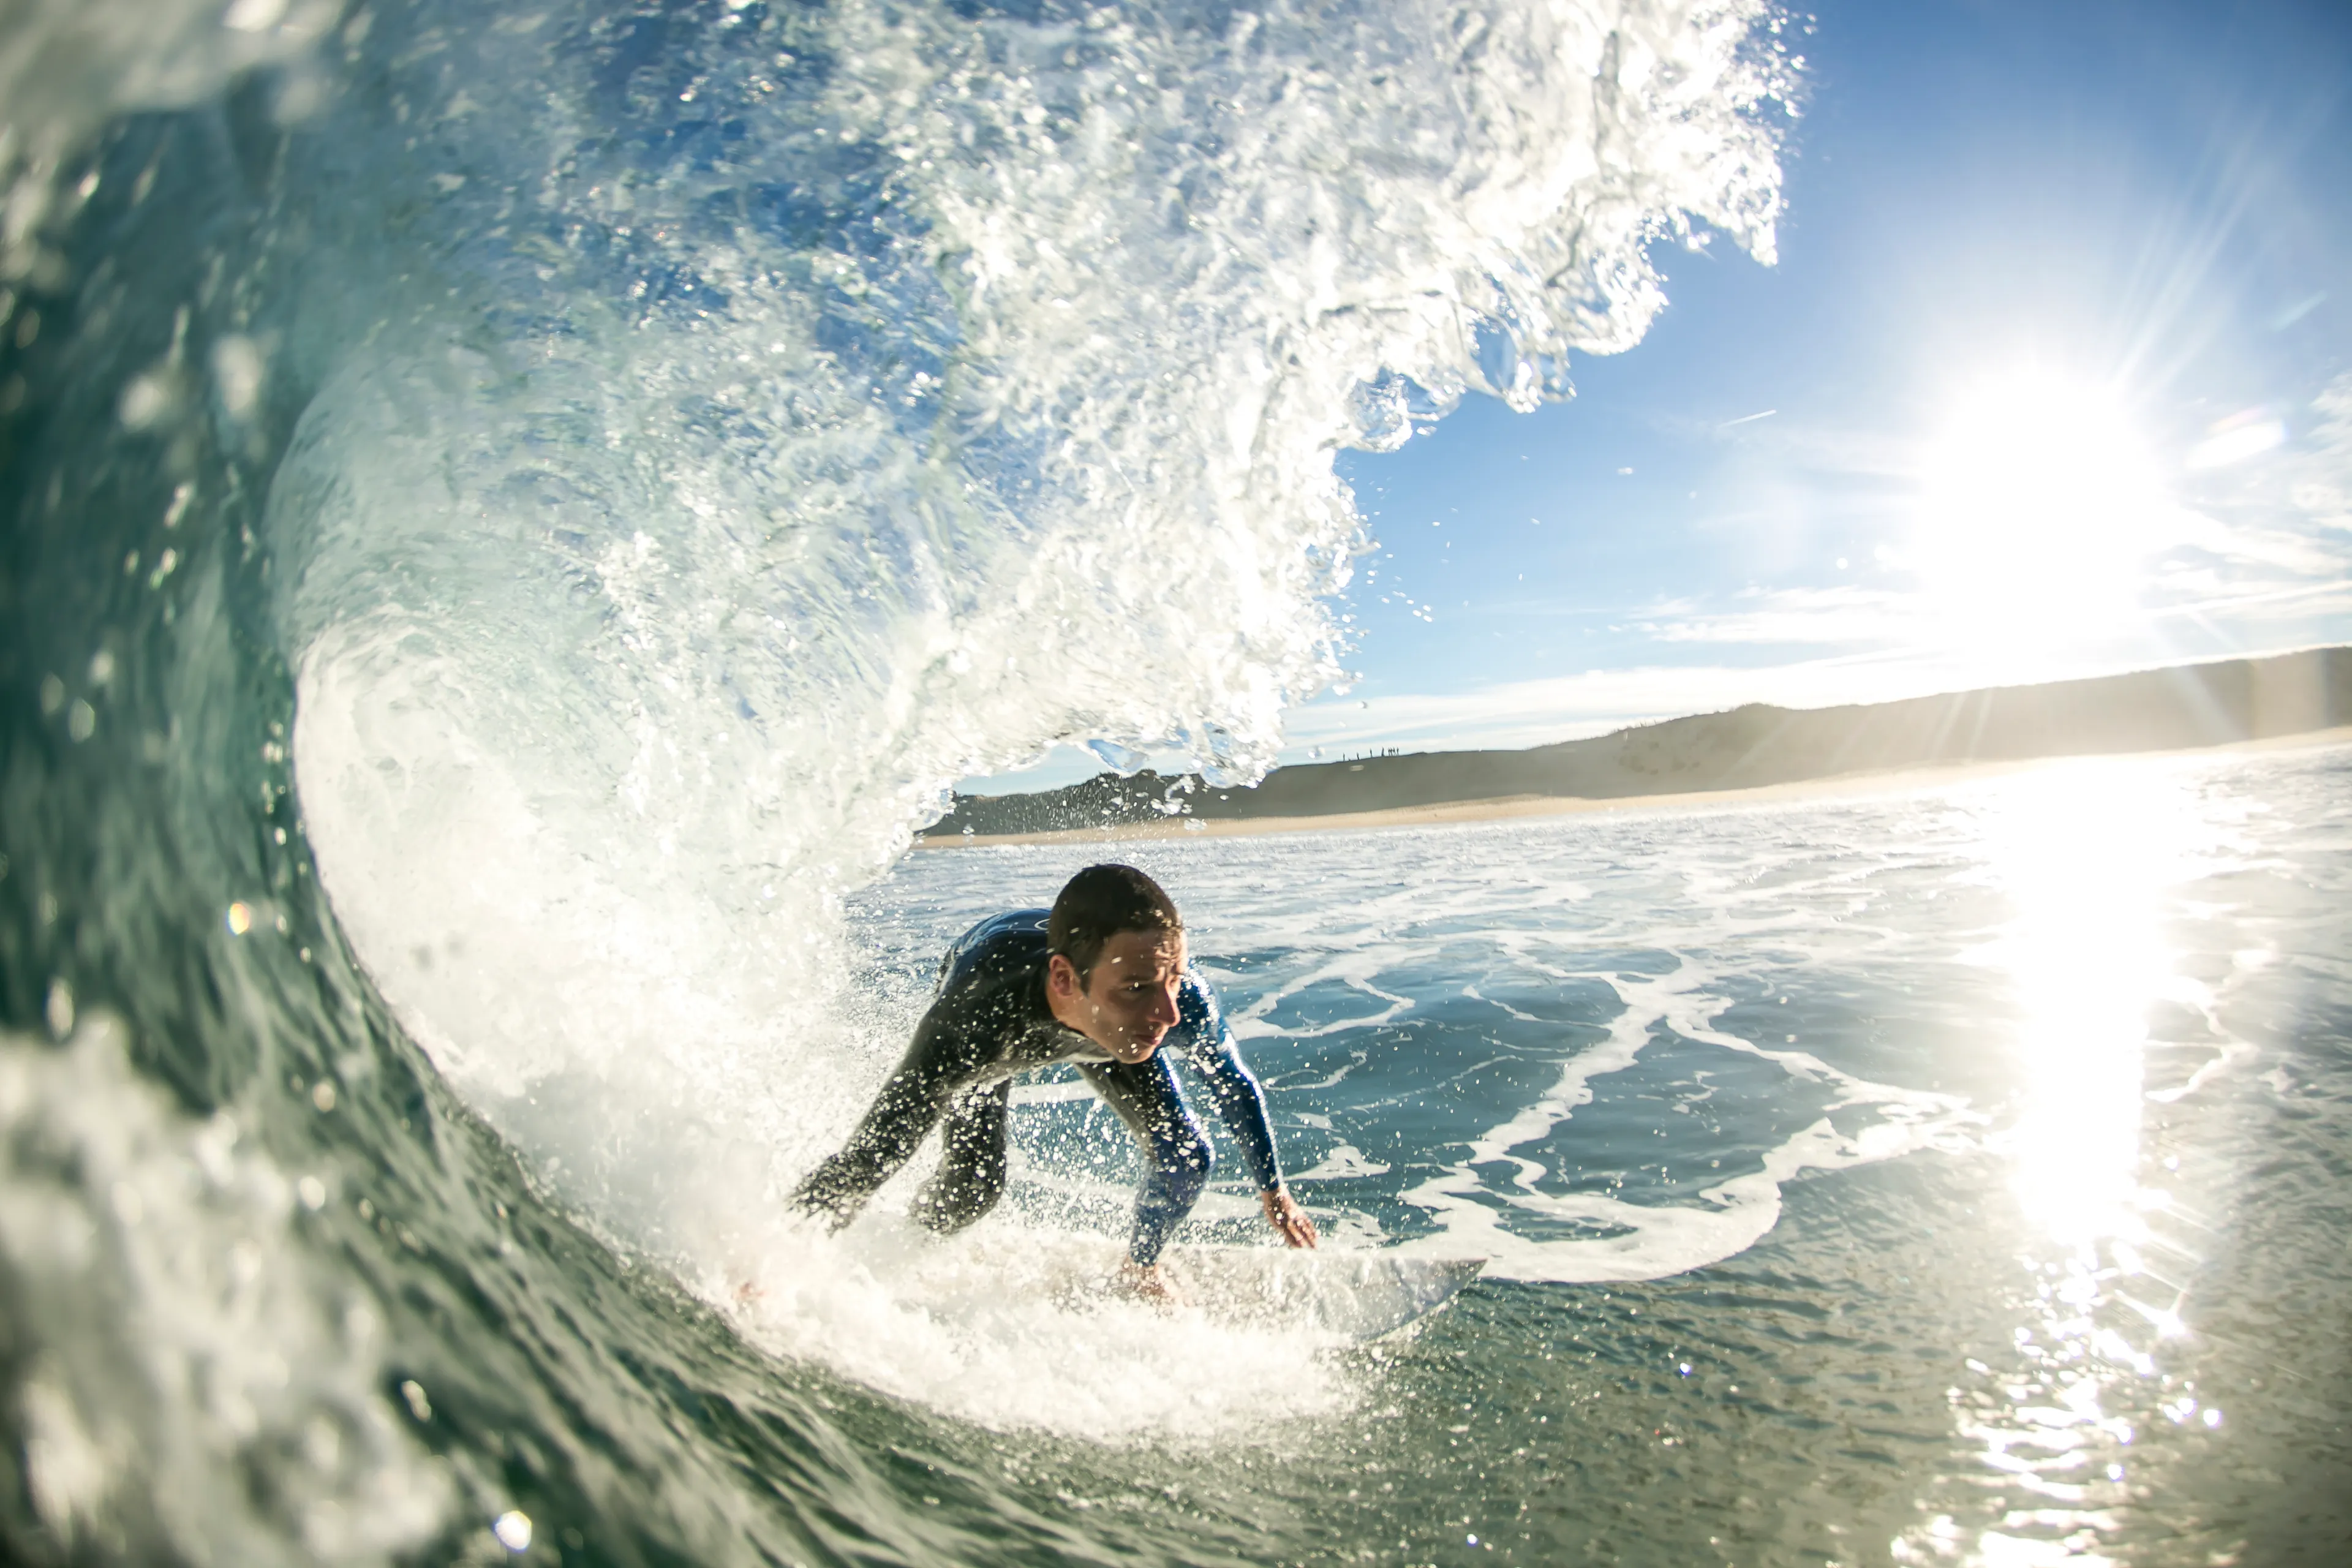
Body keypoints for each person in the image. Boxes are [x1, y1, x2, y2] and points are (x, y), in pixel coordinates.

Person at [793, 863, 1317, 1300]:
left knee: (1187, 1155)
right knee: (975, 1189)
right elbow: (867, 1156)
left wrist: (1274, 1190)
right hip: (1005, 989)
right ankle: (912, 1240)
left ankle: (1141, 1268)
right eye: (1139, 988)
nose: (1170, 1013)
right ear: (1065, 980)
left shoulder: (1173, 1000)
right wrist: (775, 1257)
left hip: (1102, 1021)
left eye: (1175, 978)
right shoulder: (976, 1018)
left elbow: (1233, 1083)